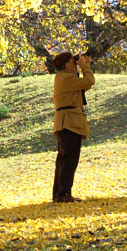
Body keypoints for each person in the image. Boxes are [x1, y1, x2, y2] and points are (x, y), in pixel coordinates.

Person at [51, 51, 95, 203]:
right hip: (69, 123)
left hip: (66, 122)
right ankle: (63, 194)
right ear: (68, 65)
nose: (75, 64)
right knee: (69, 160)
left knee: (64, 160)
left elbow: (84, 85)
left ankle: (59, 194)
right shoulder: (67, 78)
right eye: (73, 62)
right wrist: (84, 66)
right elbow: (89, 81)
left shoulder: (63, 78)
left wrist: (85, 65)